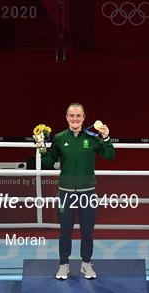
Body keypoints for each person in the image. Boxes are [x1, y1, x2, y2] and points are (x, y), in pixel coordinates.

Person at [39, 102, 115, 280]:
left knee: (87, 231)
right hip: (66, 193)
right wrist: (42, 148)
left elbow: (110, 156)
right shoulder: (58, 138)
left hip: (88, 192)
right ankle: (63, 265)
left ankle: (86, 264)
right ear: (66, 118)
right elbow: (48, 163)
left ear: (83, 118)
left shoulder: (92, 137)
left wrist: (106, 138)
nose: (75, 119)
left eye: (78, 116)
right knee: (65, 231)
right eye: (71, 116)